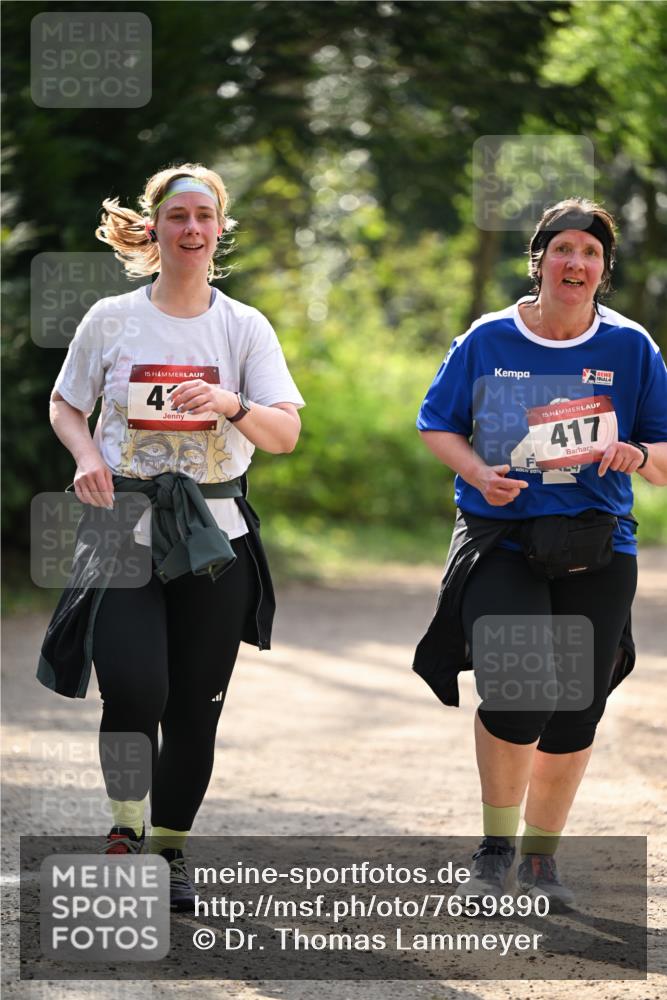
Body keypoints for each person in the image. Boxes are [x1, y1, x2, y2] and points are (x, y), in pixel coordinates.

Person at [38, 164, 304, 911]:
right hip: (125, 526)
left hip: (214, 538)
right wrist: (90, 457)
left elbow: (284, 433)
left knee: (194, 703)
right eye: (177, 216)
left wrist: (229, 401)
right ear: (153, 229)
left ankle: (169, 849)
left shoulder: (244, 327)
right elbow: (65, 404)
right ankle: (125, 832)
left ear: (219, 230)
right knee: (133, 685)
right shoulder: (111, 319)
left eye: (203, 217)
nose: (191, 229)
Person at [414, 198, 667, 909]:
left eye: (590, 253)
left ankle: (538, 862)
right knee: (517, 689)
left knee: (574, 711)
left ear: (602, 270)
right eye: (563, 250)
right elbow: (436, 423)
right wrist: (476, 472)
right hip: (502, 539)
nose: (575, 263)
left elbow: (664, 457)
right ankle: (493, 851)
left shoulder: (629, 348)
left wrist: (638, 452)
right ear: (539, 259)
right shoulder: (488, 339)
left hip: (596, 542)